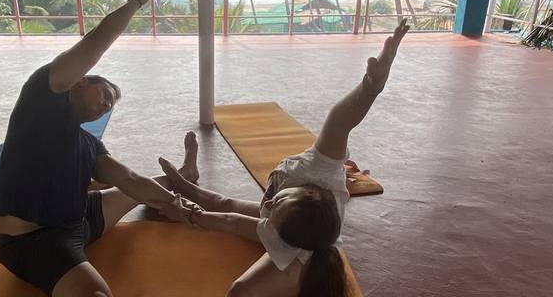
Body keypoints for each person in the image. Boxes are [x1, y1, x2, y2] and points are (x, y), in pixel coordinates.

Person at [159, 20, 410, 297]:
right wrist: (370, 88)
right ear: (310, 192)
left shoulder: (289, 232)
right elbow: (341, 121)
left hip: (301, 255)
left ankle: (297, 283)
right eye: (278, 202)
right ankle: (185, 183)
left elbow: (232, 221)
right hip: (301, 228)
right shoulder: (320, 169)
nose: (268, 204)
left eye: (272, 212)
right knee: (227, 203)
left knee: (240, 291)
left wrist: (191, 215)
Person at [0, 0, 201, 297]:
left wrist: (176, 206)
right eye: (105, 93)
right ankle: (180, 177)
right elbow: (97, 40)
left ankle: (183, 175)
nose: (107, 105)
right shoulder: (42, 96)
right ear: (80, 81)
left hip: (82, 219)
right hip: (34, 240)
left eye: (111, 106)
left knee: (138, 190)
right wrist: (137, 1)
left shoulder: (89, 144)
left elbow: (129, 179)